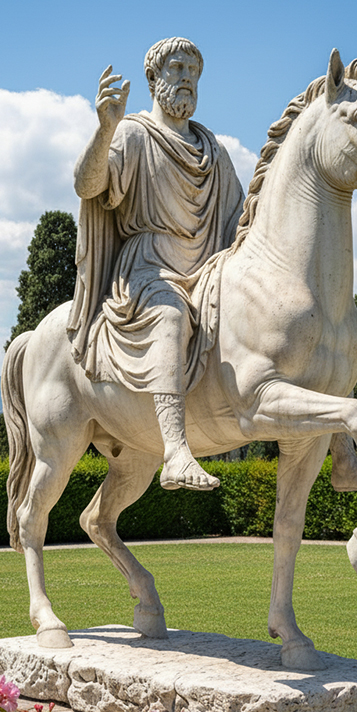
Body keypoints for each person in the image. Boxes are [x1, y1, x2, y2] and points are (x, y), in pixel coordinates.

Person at [67, 37, 245, 492]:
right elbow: (88, 187)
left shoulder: (213, 150)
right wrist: (105, 129)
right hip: (149, 270)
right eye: (177, 67)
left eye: (194, 71)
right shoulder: (133, 133)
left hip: (207, 271)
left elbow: (242, 221)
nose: (187, 77)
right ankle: (176, 453)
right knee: (169, 315)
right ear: (153, 78)